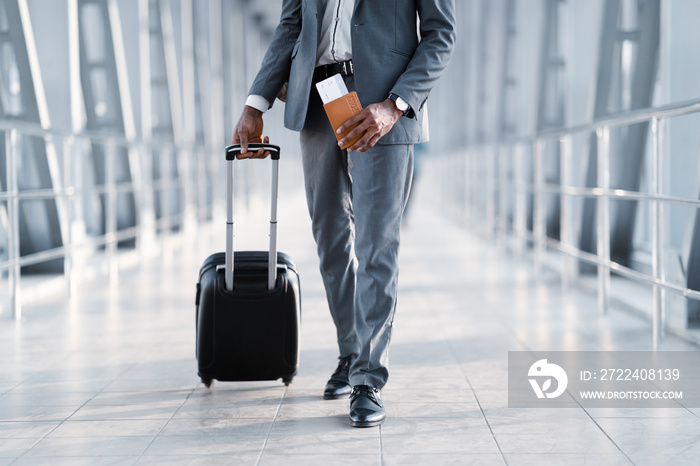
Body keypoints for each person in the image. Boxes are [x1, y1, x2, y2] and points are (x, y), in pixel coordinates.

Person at [232, 0, 456, 427]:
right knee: (330, 239)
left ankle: (368, 378)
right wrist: (254, 103)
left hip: (381, 108)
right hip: (317, 101)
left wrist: (395, 106)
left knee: (376, 244)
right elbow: (292, 25)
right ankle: (351, 351)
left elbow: (441, 34)